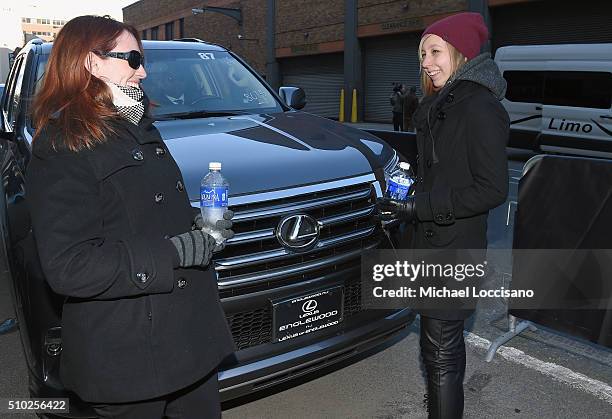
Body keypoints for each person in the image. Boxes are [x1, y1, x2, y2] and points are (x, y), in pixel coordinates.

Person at [27, 15, 235, 418]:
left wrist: (199, 225)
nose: (143, 71)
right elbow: (70, 266)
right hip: (130, 356)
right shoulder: (62, 144)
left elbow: (144, 209)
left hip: (189, 339)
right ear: (91, 62)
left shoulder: (138, 125)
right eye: (133, 58)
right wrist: (177, 252)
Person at [378, 12, 509, 419]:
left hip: (454, 249)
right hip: (433, 242)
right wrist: (405, 195)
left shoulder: (478, 106)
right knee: (437, 350)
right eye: (422, 55)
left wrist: (419, 206)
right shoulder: (442, 104)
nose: (426, 62)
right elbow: (443, 173)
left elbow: (492, 188)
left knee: (441, 352)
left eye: (435, 51)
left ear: (461, 52)